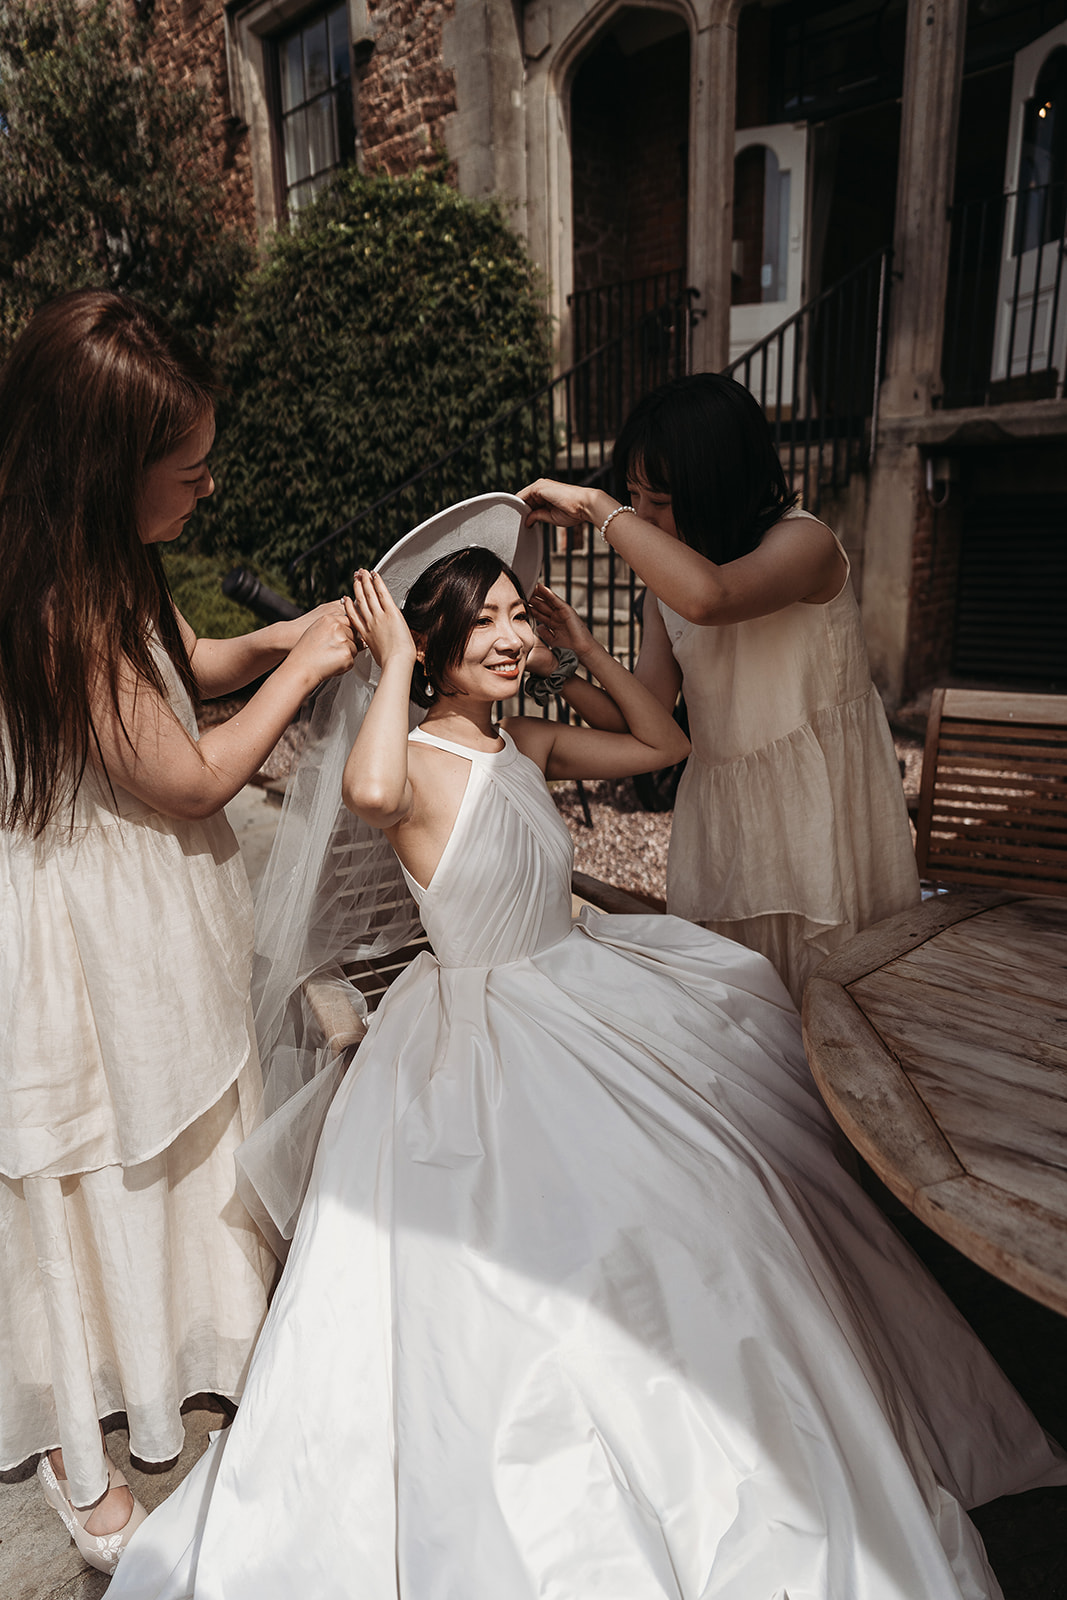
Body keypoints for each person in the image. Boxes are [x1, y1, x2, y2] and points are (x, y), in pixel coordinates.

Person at [107, 501, 1065, 1600]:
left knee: (726, 1188)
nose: (512, 638)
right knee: (572, 1249)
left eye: (519, 616)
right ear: (434, 646)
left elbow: (664, 742)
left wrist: (580, 648)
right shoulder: (408, 759)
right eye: (489, 625)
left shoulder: (524, 738)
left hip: (588, 986)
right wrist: (394, 664)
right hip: (481, 1034)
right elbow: (369, 791)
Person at [0, 290, 360, 1573]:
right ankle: (72, 1431)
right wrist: (310, 674)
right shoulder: (52, 601)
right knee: (106, 1146)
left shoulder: (102, 560)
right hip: (91, 926)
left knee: (187, 1122)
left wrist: (265, 640)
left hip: (148, 904)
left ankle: (196, 1338)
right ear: (107, 471)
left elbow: (177, 657)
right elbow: (190, 777)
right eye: (189, 470)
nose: (209, 489)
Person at [519, 372, 920, 1005]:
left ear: (720, 483)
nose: (643, 518)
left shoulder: (806, 541)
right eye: (631, 496)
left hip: (820, 808)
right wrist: (566, 662)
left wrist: (600, 507)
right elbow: (642, 723)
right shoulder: (665, 595)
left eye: (660, 500)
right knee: (739, 1016)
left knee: (839, 1011)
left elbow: (715, 597)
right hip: (723, 823)